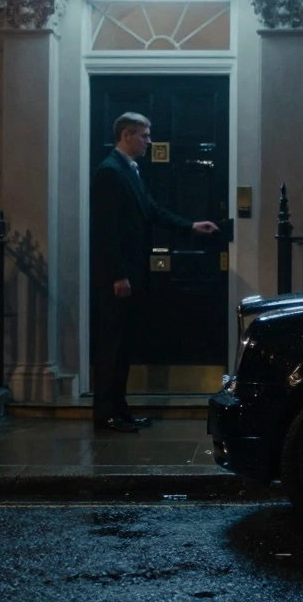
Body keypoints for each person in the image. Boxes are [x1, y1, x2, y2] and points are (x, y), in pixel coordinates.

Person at [89, 112, 219, 433]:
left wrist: (190, 226)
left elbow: (152, 211)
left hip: (132, 274)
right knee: (113, 347)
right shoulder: (109, 172)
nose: (149, 142)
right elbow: (107, 231)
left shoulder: (129, 171)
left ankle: (119, 409)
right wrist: (118, 274)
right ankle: (106, 413)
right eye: (145, 136)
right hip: (118, 278)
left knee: (124, 347)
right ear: (126, 135)